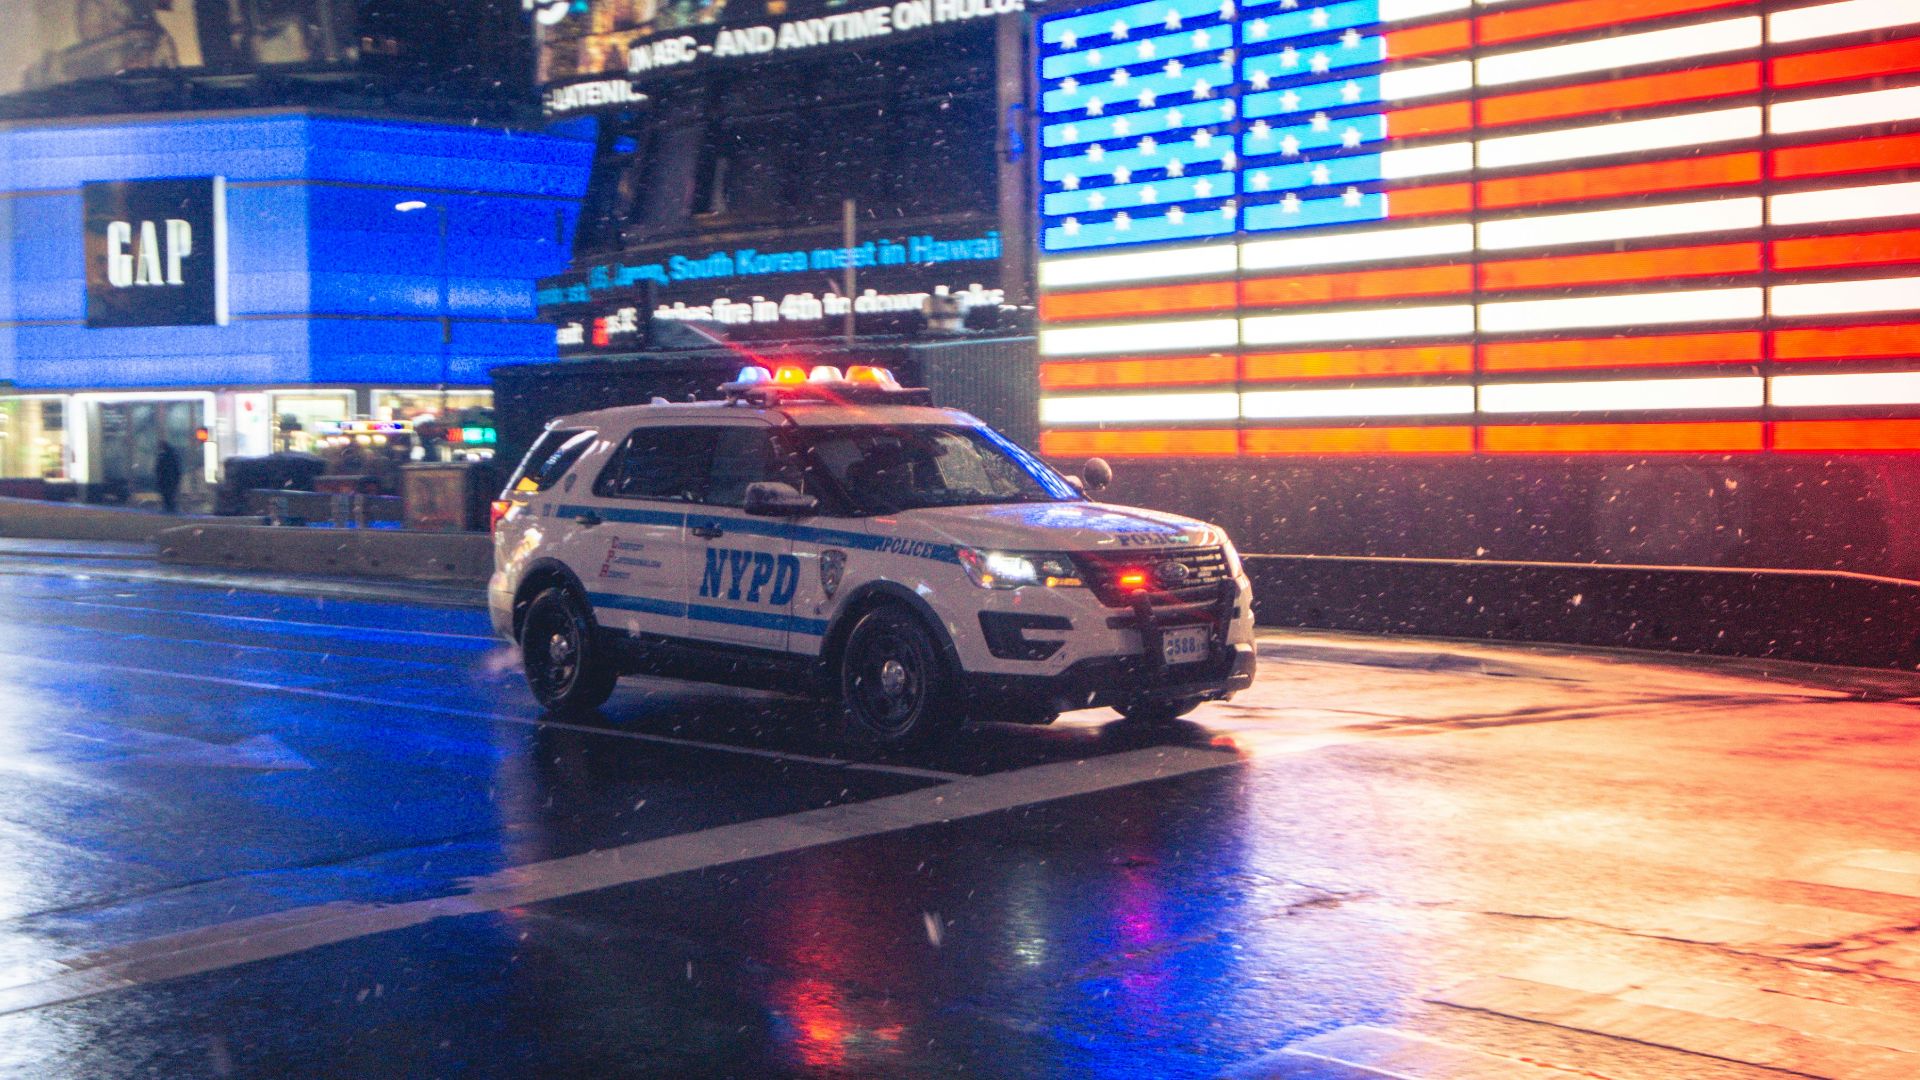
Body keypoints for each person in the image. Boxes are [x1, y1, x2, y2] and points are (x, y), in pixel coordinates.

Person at [155, 440, 183, 513]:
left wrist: (159, 477)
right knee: (171, 494)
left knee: (166, 495)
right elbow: (178, 469)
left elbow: (158, 468)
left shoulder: (162, 456)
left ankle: (168, 508)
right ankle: (171, 508)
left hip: (165, 479)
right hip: (172, 479)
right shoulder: (174, 455)